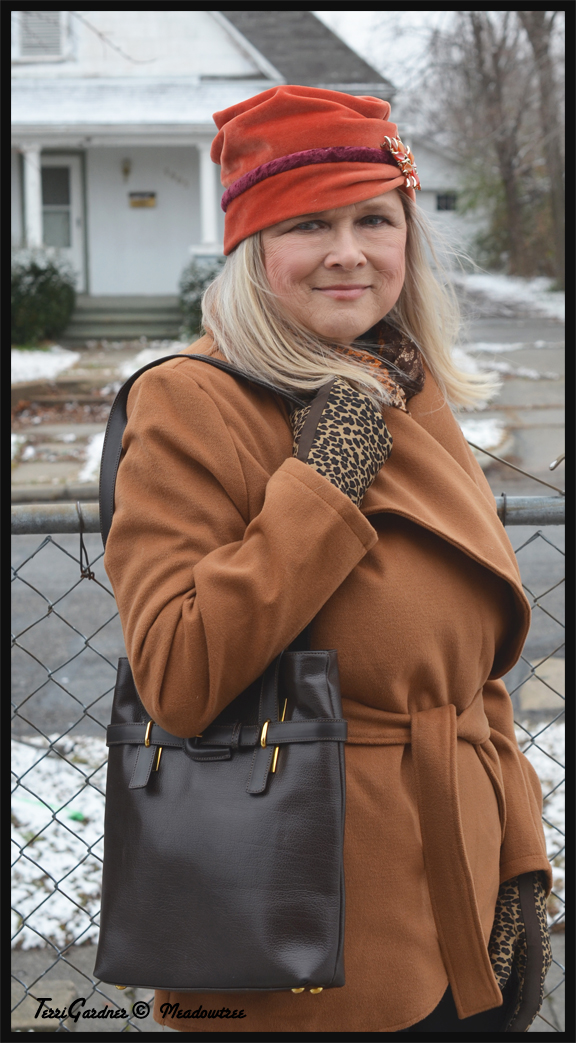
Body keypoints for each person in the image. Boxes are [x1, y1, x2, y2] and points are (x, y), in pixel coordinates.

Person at [103, 85, 552, 1033]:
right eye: (309, 223)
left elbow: (472, 673)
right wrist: (320, 487)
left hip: (465, 918)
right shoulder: (191, 401)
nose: (349, 251)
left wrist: (520, 864)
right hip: (304, 937)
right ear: (252, 248)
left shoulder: (403, 385)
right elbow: (179, 677)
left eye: (374, 220)